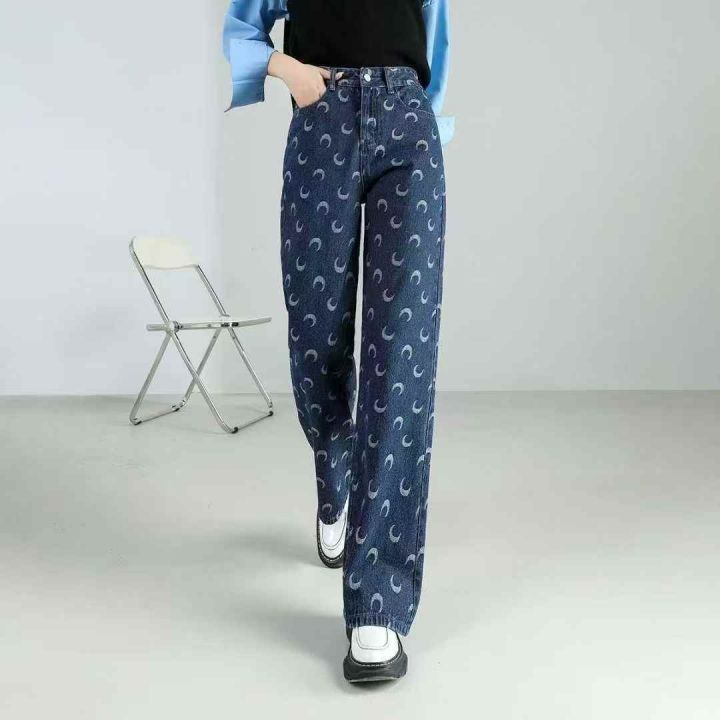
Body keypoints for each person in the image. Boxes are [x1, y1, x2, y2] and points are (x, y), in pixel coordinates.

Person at [222, 0, 453, 683]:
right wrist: (288, 70)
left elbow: (436, 40)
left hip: (408, 130)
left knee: (402, 355)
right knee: (316, 337)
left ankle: (377, 602)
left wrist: (426, 116)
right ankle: (334, 459)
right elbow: (241, 29)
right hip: (321, 117)